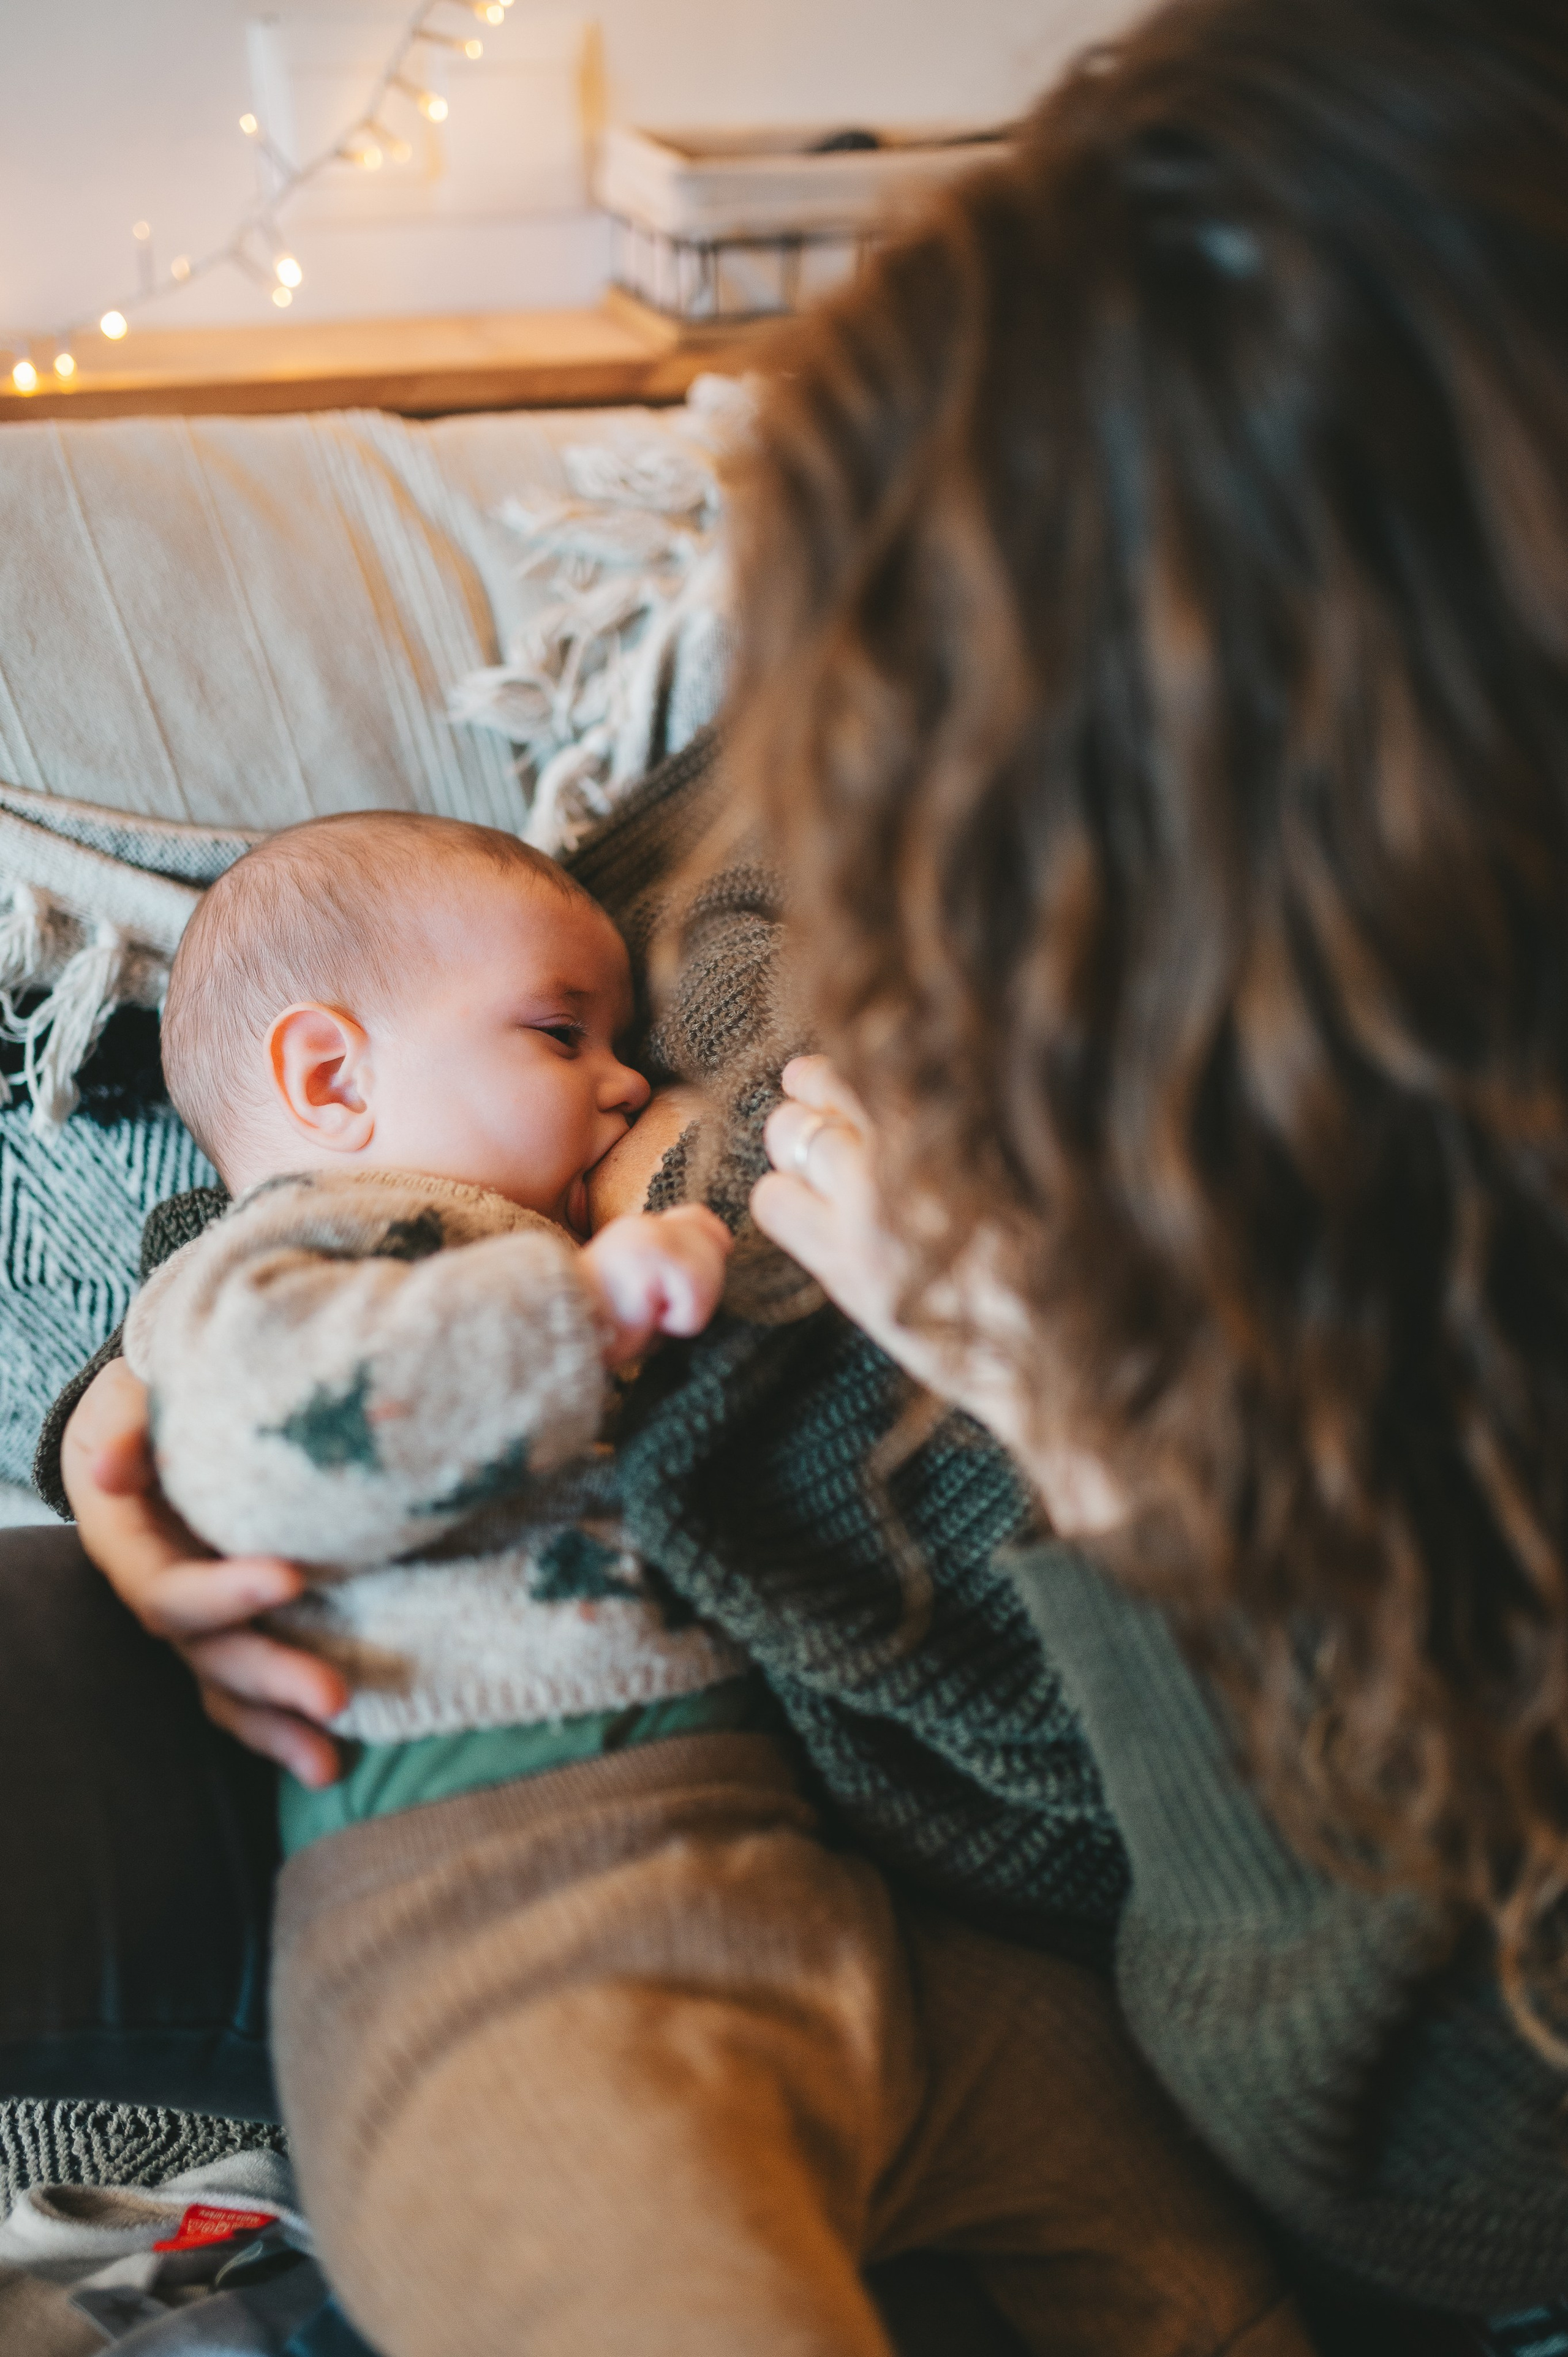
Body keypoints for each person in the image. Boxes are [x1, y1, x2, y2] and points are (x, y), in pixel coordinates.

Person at [722, 0, 1568, 2336]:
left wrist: (1106, 1444)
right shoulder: (1023, 647)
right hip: (489, 1565)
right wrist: (228, 1331)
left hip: (911, 1946)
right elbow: (569, 936)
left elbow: (1470, 2169)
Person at [51, 802, 1308, 2357]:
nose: (623, 1070)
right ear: (331, 1077)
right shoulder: (331, 1240)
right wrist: (571, 1308)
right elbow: (268, 1425)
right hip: (506, 1948)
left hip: (811, 1915)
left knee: (1098, 2132)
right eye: (557, 1032)